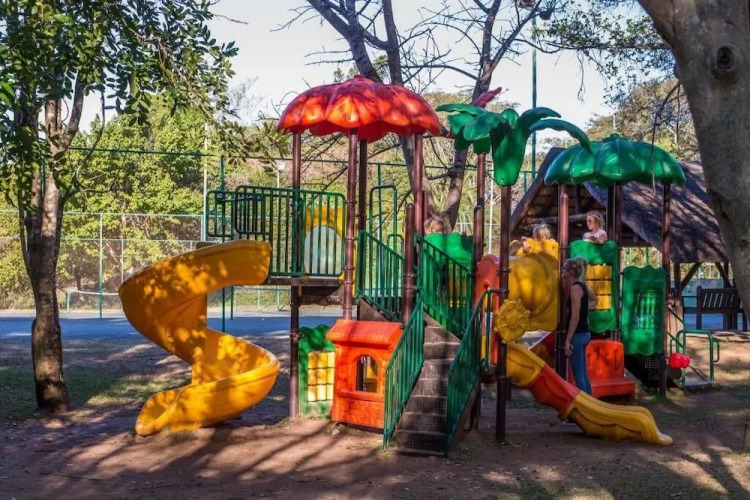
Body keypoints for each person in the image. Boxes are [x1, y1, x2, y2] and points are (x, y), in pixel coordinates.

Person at [561, 258, 598, 395]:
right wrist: (584, 309)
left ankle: (584, 404)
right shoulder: (581, 286)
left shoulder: (575, 289)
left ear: (570, 272)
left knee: (578, 375)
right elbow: (590, 302)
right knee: (582, 373)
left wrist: (568, 339)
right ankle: (590, 402)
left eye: (564, 268)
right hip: (583, 333)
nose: (562, 270)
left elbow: (575, 317)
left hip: (578, 335)